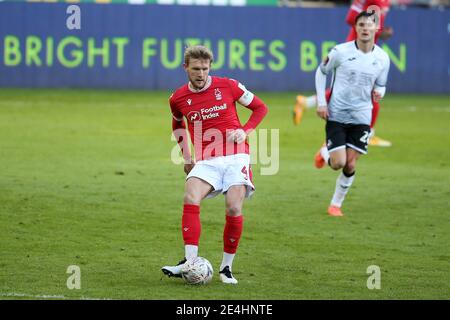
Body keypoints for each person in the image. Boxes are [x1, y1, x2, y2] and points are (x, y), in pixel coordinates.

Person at [161, 45, 268, 284]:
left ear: (210, 67)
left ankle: (226, 268)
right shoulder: (177, 98)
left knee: (233, 207)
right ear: (185, 68)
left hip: (236, 155)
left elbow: (260, 107)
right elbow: (178, 125)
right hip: (207, 159)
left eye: (205, 69)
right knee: (190, 197)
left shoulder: (228, 85)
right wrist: (186, 156)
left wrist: (244, 130)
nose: (201, 74)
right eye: (196, 69)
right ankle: (190, 262)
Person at [313, 11, 390, 216]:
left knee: (350, 163)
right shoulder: (340, 52)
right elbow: (321, 72)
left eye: (369, 25)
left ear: (377, 28)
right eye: (361, 25)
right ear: (355, 28)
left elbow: (382, 85)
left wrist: (379, 93)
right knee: (338, 163)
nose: (365, 28)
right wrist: (322, 103)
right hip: (337, 113)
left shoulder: (382, 58)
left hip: (362, 116)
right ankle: (324, 152)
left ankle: (335, 205)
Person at [293, 0, 393, 147]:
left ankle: (306, 103)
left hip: (368, 49)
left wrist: (380, 32)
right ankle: (365, 135)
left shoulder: (386, 2)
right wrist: (369, 28)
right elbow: (351, 18)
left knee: (359, 91)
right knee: (366, 93)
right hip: (355, 49)